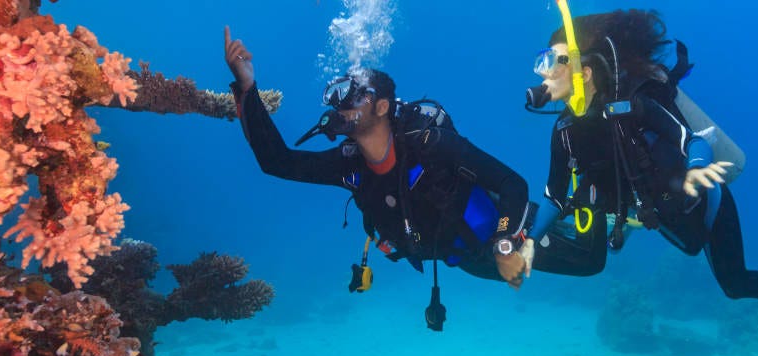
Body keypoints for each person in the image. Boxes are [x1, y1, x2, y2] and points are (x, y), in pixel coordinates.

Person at [520, 8, 758, 306]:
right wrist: (532, 239)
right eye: (541, 61)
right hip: (658, 209)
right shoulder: (564, 130)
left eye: (551, 61)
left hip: (706, 202)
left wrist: (695, 170)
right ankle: (624, 218)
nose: (542, 73)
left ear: (585, 72)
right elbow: (554, 196)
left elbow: (696, 142)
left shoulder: (634, 107)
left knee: (734, 284)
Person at [223, 27, 535, 330]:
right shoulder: (350, 167)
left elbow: (512, 184)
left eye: (354, 97)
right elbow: (277, 162)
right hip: (464, 259)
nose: (342, 106)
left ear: (382, 107)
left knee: (586, 262)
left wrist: (504, 245)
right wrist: (247, 88)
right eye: (338, 98)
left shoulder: (430, 144)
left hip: (511, 234)